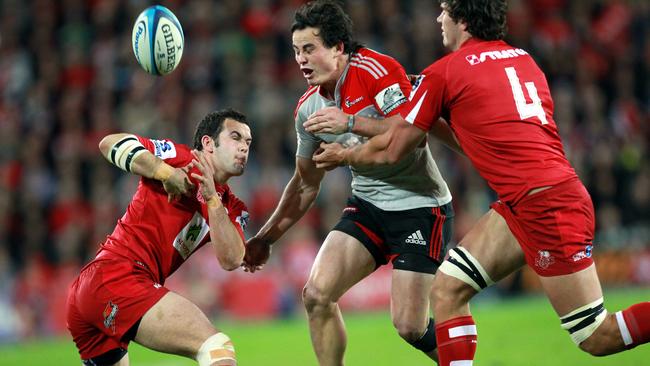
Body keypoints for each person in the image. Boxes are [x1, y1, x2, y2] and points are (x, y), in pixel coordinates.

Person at [308, 1, 650, 365]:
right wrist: (424, 107)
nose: (439, 19)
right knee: (448, 290)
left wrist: (346, 141)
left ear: (464, 20)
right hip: (531, 199)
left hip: (546, 207)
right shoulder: (523, 59)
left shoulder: (445, 72)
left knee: (596, 335)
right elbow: (476, 135)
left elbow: (394, 149)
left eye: (445, 11)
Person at [243, 1, 457, 364]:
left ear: (338, 47)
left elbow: (413, 135)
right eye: (296, 51)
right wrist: (266, 238)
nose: (301, 59)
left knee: (409, 325)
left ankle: (459, 359)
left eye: (309, 48)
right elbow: (305, 184)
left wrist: (350, 123)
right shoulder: (308, 109)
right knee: (316, 294)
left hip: (419, 207)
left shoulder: (376, 69)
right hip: (369, 207)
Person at [66, 108, 252, 366]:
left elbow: (231, 259)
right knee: (215, 348)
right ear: (208, 143)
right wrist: (164, 173)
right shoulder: (179, 157)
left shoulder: (230, 206)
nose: (244, 147)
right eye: (236, 137)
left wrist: (211, 199)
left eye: (248, 142)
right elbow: (109, 143)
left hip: (98, 287)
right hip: (118, 275)